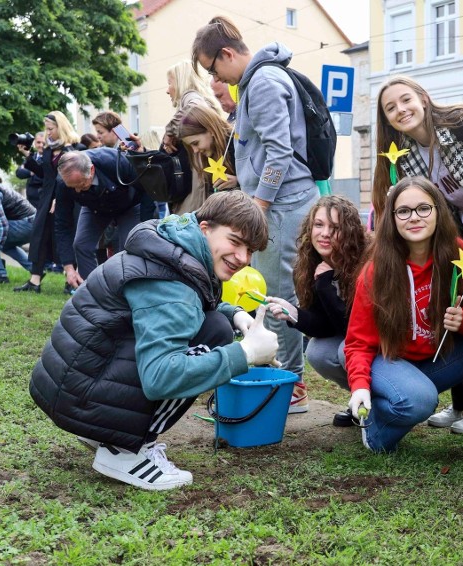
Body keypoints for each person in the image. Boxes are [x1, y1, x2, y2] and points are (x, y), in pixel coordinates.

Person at [29, 191, 278, 491]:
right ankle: (125, 451)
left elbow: (186, 309)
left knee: (216, 324)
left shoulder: (170, 245)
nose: (243, 258)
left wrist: (235, 314)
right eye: (235, 242)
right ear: (204, 229)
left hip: (69, 387)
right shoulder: (171, 283)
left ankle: (103, 433)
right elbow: (161, 377)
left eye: (250, 250)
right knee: (217, 336)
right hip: (79, 398)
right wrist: (246, 353)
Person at [375, 75, 463, 434]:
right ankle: (462, 406)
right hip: (461, 235)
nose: (401, 110)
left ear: (423, 98)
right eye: (391, 108)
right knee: (452, 306)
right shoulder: (404, 159)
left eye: (405, 100)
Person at [192, 16, 321, 413]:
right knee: (278, 291)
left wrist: (257, 207)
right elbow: (267, 151)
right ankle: (285, 379)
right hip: (281, 201)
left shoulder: (263, 82)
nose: (218, 78)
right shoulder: (262, 78)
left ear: (227, 54)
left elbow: (280, 153)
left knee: (277, 294)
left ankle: (290, 387)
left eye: (214, 68)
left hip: (281, 207)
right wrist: (240, 182)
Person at [345, 176, 463, 453]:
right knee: (419, 400)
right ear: (392, 219)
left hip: (437, 360)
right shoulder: (377, 271)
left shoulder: (458, 253)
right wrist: (360, 386)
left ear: (438, 211)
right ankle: (375, 430)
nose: (414, 218)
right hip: (391, 361)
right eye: (403, 211)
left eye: (423, 208)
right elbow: (358, 342)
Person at [264, 195, 368, 426]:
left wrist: (325, 287)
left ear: (350, 231)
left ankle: (374, 402)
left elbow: (352, 328)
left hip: (376, 344)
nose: (325, 233)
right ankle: (364, 402)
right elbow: (325, 325)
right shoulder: (309, 263)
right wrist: (295, 314)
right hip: (353, 343)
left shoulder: (366, 262)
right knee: (317, 352)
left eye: (335, 227)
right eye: (319, 225)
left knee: (344, 349)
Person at [54, 149, 143, 288]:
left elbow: (145, 190)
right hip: (94, 207)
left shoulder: (114, 162)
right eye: (73, 188)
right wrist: (68, 267)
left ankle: (125, 293)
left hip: (129, 205)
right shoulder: (62, 183)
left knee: (127, 248)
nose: (77, 191)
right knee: (81, 244)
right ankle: (90, 292)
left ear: (92, 170)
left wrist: (147, 221)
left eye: (82, 184)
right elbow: (62, 223)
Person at [18, 111, 80, 293]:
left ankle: (71, 281)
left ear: (60, 127)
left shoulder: (72, 149)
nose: (48, 132)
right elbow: (45, 174)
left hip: (66, 200)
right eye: (46, 129)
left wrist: (58, 199)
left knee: (66, 237)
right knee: (40, 237)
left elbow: (70, 177)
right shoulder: (48, 149)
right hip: (46, 200)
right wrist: (28, 157)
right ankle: (34, 281)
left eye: (51, 128)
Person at [163, 60, 230, 215]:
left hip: (197, 193)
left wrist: (170, 130)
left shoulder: (190, 97)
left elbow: (193, 107)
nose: (167, 90)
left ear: (181, 82)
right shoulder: (202, 100)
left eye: (170, 83)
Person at [15, 132, 45, 210]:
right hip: (30, 203)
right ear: (34, 142)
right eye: (38, 142)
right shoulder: (32, 156)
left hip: (43, 202)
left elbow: (42, 177)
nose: (41, 145)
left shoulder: (49, 158)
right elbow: (19, 173)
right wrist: (32, 172)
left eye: (44, 143)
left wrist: (32, 172)